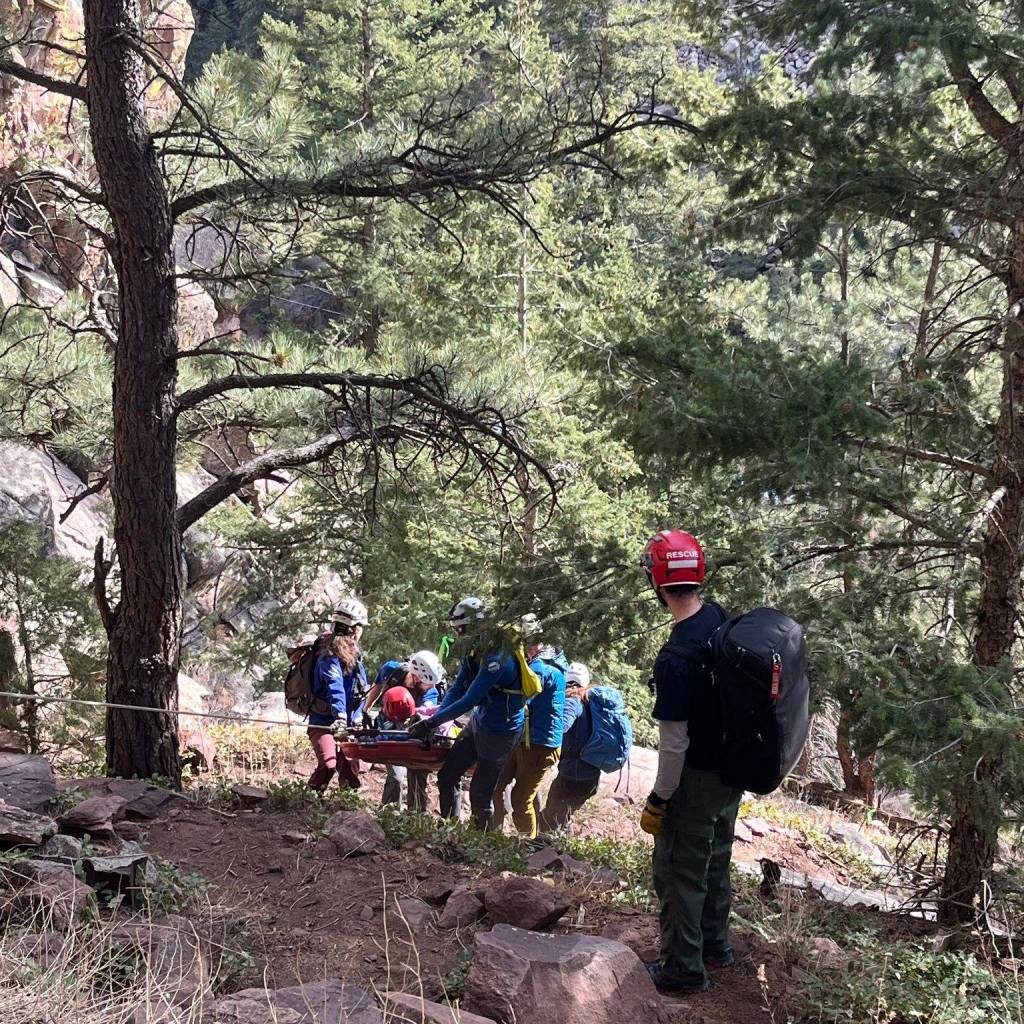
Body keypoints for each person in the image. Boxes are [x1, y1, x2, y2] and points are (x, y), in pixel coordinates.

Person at [639, 529, 739, 996]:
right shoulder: (719, 618)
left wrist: (660, 799)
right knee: (715, 855)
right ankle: (716, 946)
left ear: (657, 583)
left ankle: (682, 969)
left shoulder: (677, 656)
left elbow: (674, 743)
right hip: (731, 771)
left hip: (696, 776)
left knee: (679, 867)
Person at [408, 597, 529, 830]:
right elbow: (457, 689)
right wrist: (434, 718)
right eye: (455, 630)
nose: (458, 635)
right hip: (479, 723)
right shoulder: (474, 652)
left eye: (461, 629)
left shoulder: (497, 656)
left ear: (476, 625)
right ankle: (449, 828)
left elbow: (470, 699)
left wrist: (432, 722)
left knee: (479, 794)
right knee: (447, 776)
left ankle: (481, 842)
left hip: (501, 732)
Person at [492, 620, 566, 838]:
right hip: (524, 740)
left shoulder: (541, 668)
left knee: (520, 798)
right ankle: (491, 835)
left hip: (540, 745)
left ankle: (529, 846)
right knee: (497, 786)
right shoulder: (548, 664)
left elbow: (523, 697)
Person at [306, 598, 370, 792]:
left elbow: (360, 688)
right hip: (323, 722)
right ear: (354, 628)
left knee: (351, 768)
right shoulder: (328, 653)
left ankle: (347, 807)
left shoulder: (355, 654)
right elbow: (336, 687)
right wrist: (340, 716)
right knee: (329, 764)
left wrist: (358, 717)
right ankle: (309, 800)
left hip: (348, 723)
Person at [539, 661, 602, 832]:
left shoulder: (573, 701)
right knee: (561, 817)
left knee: (549, 821)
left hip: (573, 774)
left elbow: (562, 726)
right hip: (591, 774)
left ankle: (542, 854)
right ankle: (562, 851)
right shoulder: (591, 701)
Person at [379, 650, 445, 812]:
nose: (431, 687)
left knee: (417, 772)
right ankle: (389, 813)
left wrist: (416, 718)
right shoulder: (392, 670)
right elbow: (376, 688)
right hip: (390, 728)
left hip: (415, 732)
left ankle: (416, 815)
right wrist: (364, 711)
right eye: (427, 683)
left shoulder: (431, 691)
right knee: (395, 776)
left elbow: (425, 713)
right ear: (416, 677)